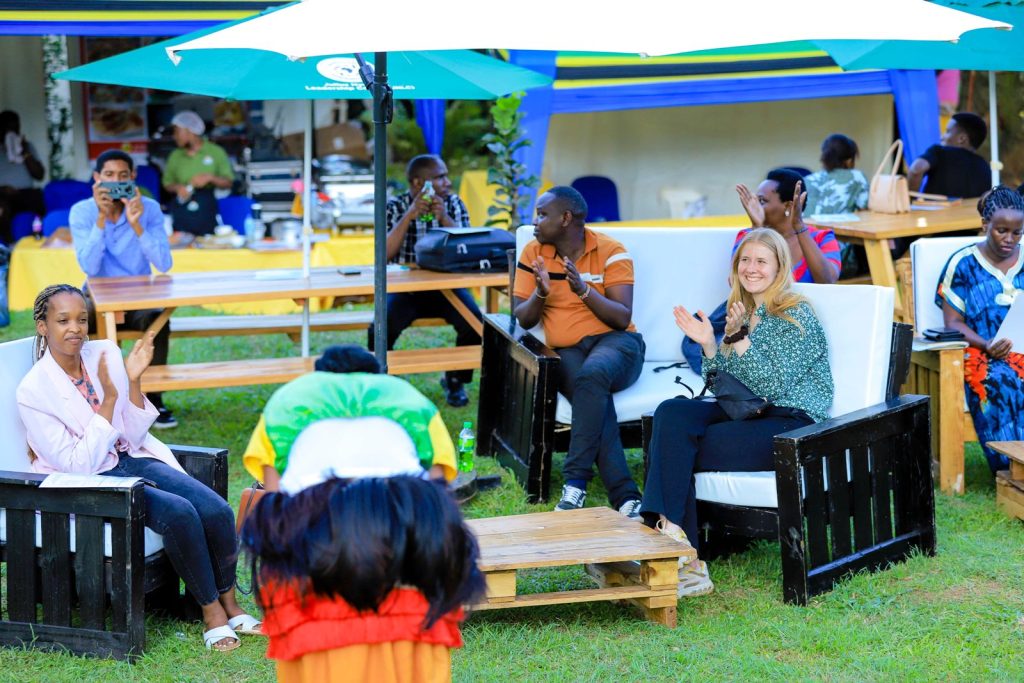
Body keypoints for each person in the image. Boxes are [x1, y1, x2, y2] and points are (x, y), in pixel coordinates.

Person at [16, 284, 260, 651]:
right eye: (63, 320)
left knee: (216, 509)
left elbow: (130, 432)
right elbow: (76, 464)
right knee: (179, 514)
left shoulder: (102, 354)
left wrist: (132, 381)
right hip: (90, 479)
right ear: (42, 326)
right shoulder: (34, 390)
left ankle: (231, 603)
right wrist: (109, 401)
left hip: (127, 457)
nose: (75, 329)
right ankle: (211, 613)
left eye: (82, 319)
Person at [642, 229, 833, 597]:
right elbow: (723, 387)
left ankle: (673, 551)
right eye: (745, 260)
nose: (751, 268)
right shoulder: (744, 313)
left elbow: (772, 385)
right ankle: (677, 548)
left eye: (761, 260)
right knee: (672, 413)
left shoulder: (795, 315)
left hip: (791, 423)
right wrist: (711, 344)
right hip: (751, 414)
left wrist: (738, 338)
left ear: (779, 266)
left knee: (677, 447)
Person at [241, 433, 484, 681]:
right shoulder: (419, 413)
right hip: (360, 586)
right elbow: (438, 501)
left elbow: (275, 507)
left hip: (345, 587)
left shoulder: (281, 415)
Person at [513, 186, 645, 518]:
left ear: (566, 218)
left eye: (543, 214)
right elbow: (524, 318)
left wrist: (583, 289)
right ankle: (627, 497)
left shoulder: (612, 250)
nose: (535, 222)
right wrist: (541, 294)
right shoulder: (534, 252)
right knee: (593, 395)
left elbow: (621, 317)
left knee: (593, 375)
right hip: (567, 350)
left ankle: (576, 482)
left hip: (617, 344)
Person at [685, 169, 841, 372]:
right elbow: (739, 284)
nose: (753, 206)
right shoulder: (748, 234)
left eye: (762, 201)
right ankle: (725, 371)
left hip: (792, 324)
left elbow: (827, 280)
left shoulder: (822, 238)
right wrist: (757, 228)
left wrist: (798, 226)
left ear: (788, 206)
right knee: (693, 339)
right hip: (750, 315)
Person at [243, 344, 458, 491]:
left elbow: (273, 489)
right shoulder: (409, 397)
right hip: (398, 501)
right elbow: (438, 475)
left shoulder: (288, 399)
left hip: (311, 508)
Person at [69, 149, 177, 428]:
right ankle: (86, 397)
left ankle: (153, 398)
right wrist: (101, 219)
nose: (116, 183)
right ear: (96, 179)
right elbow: (90, 267)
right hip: (96, 297)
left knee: (158, 321)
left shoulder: (149, 208)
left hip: (138, 297)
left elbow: (164, 263)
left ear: (133, 178)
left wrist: (137, 224)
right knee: (73, 322)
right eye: (108, 176)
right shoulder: (82, 211)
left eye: (123, 177)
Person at [369, 153, 479, 407]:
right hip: (405, 290)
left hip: (447, 288)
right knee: (379, 328)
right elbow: (383, 254)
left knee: (475, 324)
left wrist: (444, 220)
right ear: (419, 184)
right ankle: (384, 382)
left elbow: (468, 248)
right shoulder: (395, 207)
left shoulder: (453, 203)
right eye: (439, 177)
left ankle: (455, 379)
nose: (447, 182)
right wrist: (409, 215)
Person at [936, 186, 1024, 475]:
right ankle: (1009, 468)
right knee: (1001, 381)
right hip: (980, 352)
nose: (1009, 239)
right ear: (986, 225)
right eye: (1001, 231)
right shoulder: (963, 264)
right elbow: (953, 323)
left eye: (1017, 232)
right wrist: (986, 344)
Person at [162, 110, 234, 236]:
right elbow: (167, 183)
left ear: (190, 131)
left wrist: (211, 178)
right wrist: (178, 187)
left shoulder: (215, 152)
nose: (174, 136)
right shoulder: (175, 156)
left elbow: (228, 182)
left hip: (207, 206)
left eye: (177, 131)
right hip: (182, 207)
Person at [908, 112, 991, 199]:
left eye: (947, 132)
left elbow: (916, 170)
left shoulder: (939, 152)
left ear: (961, 139)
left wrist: (909, 202)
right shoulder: (985, 167)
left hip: (936, 212)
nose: (941, 137)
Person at [0, 110, 45, 245]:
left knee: (39, 202)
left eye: (15, 127)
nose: (12, 131)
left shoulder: (27, 147)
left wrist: (25, 152)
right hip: (2, 194)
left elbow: (39, 175)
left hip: (26, 193)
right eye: (8, 128)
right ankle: (9, 245)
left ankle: (37, 242)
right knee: (2, 207)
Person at [803, 134, 869, 216]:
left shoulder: (808, 179)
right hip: (836, 228)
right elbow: (864, 212)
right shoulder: (857, 177)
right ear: (849, 160)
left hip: (806, 228)